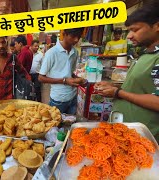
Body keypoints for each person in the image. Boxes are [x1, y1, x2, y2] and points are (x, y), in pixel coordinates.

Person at [95, 3, 159, 142]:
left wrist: (118, 93)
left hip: (142, 137)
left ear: (156, 26)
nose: (129, 36)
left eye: (135, 30)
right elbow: (141, 87)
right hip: (127, 131)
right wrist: (114, 87)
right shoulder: (147, 54)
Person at [39, 28, 86, 114]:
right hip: (58, 99)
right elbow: (41, 78)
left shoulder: (75, 52)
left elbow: (69, 73)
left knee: (70, 124)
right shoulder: (52, 53)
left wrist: (79, 79)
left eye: (78, 37)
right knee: (55, 125)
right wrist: (64, 81)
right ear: (64, 34)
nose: (76, 39)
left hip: (73, 97)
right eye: (73, 36)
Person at [0, 37, 31, 104]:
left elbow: (24, 74)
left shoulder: (13, 59)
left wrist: (28, 88)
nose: (1, 46)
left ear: (7, 43)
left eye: (3, 42)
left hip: (11, 100)